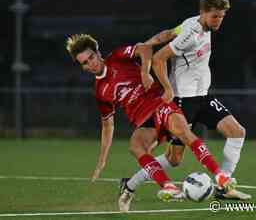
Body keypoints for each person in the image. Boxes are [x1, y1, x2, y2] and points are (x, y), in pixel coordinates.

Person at [65, 34, 236, 212]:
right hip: (144, 121)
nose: (90, 63)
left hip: (159, 103)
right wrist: (102, 160)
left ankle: (220, 175)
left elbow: (145, 48)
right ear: (82, 67)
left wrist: (144, 72)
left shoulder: (117, 57)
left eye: (91, 57)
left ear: (98, 52)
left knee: (183, 134)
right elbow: (108, 125)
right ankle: (168, 186)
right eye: (84, 63)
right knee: (136, 146)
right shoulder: (100, 91)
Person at [119, 0, 251, 210]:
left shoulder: (193, 23)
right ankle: (130, 184)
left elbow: (168, 33)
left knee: (237, 131)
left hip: (204, 97)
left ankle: (223, 185)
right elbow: (160, 59)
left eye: (222, 16)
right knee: (174, 159)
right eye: (215, 16)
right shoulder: (190, 33)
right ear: (203, 13)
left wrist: (147, 43)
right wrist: (168, 88)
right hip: (183, 101)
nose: (219, 21)